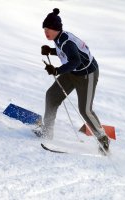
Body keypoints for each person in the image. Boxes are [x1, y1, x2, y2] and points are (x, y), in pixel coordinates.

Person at [35, 8, 110, 151]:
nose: (46, 32)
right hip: (72, 72)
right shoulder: (59, 38)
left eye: (48, 29)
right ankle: (47, 132)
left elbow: (75, 60)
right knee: (51, 96)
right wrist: (50, 51)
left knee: (85, 110)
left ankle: (103, 139)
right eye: (44, 29)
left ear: (56, 29)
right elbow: (65, 53)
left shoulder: (66, 41)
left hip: (87, 75)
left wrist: (57, 70)